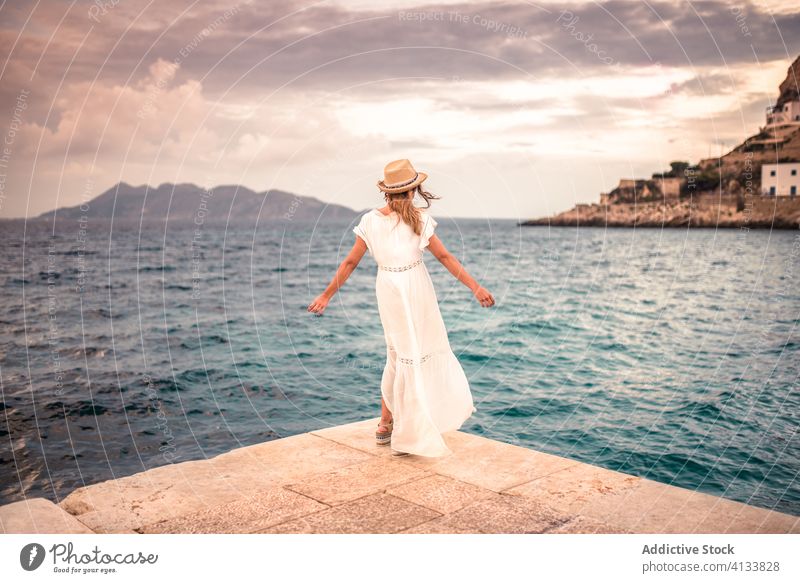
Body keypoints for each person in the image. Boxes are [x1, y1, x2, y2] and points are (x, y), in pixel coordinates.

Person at [307, 159, 495, 457]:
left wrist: (327, 295)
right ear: (413, 190)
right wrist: (476, 287)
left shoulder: (370, 220)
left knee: (397, 354)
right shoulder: (418, 219)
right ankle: (410, 429)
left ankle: (385, 424)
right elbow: (445, 258)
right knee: (415, 354)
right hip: (415, 286)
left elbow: (350, 262)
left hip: (388, 287)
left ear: (386, 192)